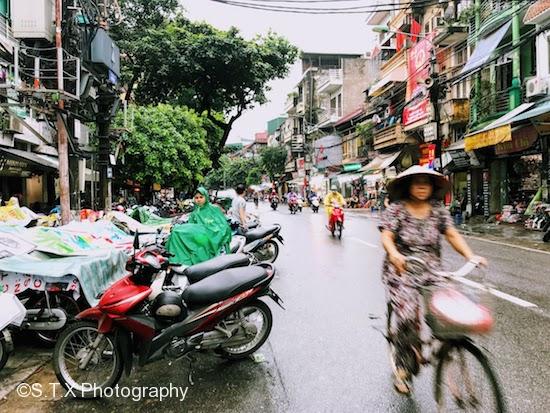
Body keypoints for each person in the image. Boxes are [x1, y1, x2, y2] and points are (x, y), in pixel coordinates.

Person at [379, 165, 487, 394]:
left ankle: (446, 345)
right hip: (402, 270)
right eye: (416, 182)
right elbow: (387, 236)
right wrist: (395, 254)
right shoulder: (397, 209)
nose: (421, 186)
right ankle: (403, 367)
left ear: (432, 187)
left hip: (431, 269)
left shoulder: (438, 209)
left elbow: (451, 234)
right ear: (408, 186)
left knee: (448, 310)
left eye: (425, 182)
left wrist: (471, 256)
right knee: (408, 316)